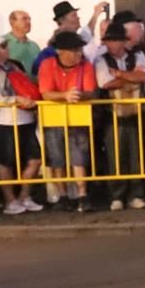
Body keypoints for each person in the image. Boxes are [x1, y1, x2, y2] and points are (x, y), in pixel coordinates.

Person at [0, 34, 43, 214]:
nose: (7, 48)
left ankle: (24, 196)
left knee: (35, 158)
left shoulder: (14, 66)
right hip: (5, 120)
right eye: (3, 46)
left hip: (25, 117)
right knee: (6, 161)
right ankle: (10, 200)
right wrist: (16, 98)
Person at [92, 20, 145, 210]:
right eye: (111, 40)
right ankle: (116, 195)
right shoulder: (101, 60)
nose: (114, 44)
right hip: (112, 113)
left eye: (117, 40)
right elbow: (104, 83)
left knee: (136, 154)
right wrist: (130, 77)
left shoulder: (138, 55)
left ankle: (136, 193)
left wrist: (119, 74)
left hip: (135, 112)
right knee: (114, 154)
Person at [37, 31, 98, 212]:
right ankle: (62, 195)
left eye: (79, 50)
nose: (79, 53)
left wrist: (78, 95)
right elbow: (45, 92)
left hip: (78, 116)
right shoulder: (47, 65)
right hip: (53, 117)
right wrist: (65, 95)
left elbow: (91, 91)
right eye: (75, 50)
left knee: (79, 157)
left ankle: (82, 194)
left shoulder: (85, 66)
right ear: (61, 51)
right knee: (57, 159)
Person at [3, 10, 40, 74]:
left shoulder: (34, 46)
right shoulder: (2, 44)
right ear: (12, 22)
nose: (28, 22)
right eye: (24, 19)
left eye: (29, 19)